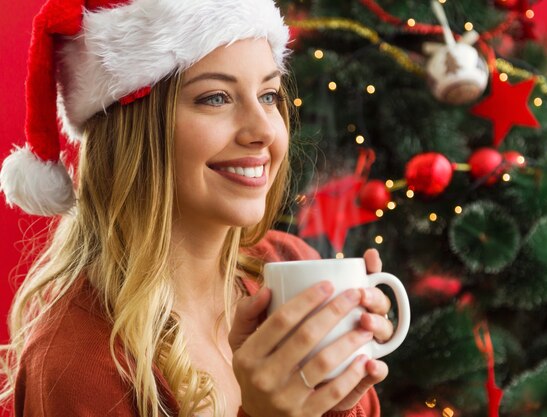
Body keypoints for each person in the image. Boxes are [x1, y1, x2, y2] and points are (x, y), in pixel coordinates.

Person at [0, 1, 395, 416]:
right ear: (137, 133)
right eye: (216, 98)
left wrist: (338, 393)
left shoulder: (287, 264)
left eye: (269, 95)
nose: (263, 129)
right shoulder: (77, 363)